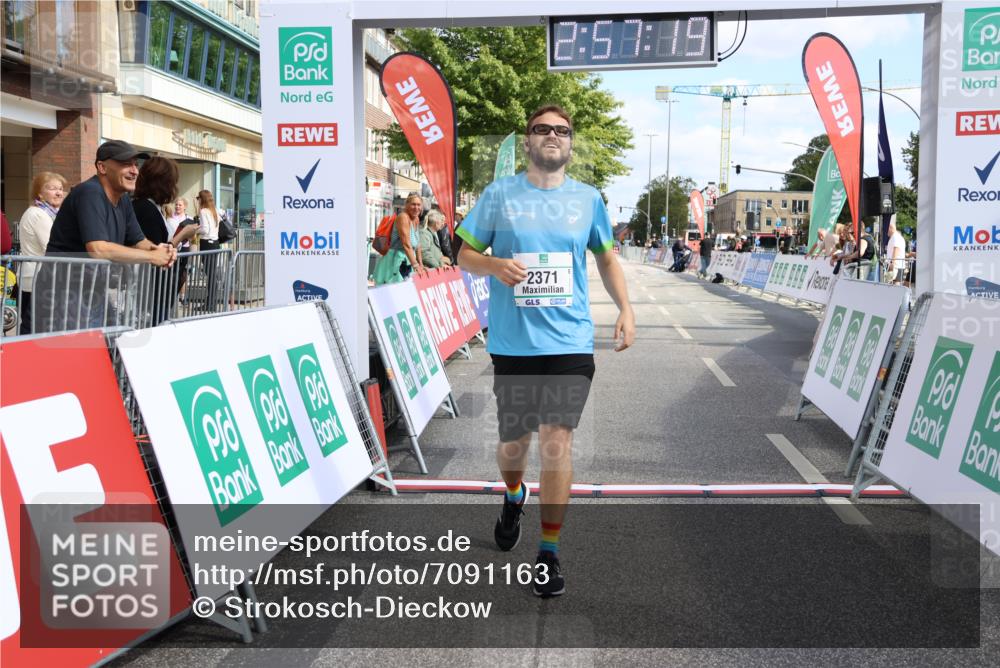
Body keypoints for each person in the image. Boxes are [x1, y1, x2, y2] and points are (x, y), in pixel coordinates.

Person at [457, 104, 635, 598]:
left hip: (570, 341)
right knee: (514, 445)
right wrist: (494, 266)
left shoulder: (588, 199)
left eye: (562, 130)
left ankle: (549, 553)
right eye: (542, 129)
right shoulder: (499, 194)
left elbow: (606, 257)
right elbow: (463, 253)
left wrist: (626, 308)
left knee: (557, 441)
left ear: (571, 143)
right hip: (514, 344)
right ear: (528, 141)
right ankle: (514, 494)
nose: (552, 136)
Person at [36, 140, 175, 332]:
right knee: (71, 349)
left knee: (107, 342)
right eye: (126, 164)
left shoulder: (123, 199)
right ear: (102, 167)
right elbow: (98, 249)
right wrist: (152, 257)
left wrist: (161, 250)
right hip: (64, 293)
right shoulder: (90, 192)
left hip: (92, 290)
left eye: (135, 164)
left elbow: (138, 240)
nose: (134, 171)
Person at [133, 157, 197, 324]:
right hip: (151, 289)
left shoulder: (150, 207)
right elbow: (155, 251)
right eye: (172, 181)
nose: (175, 187)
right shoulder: (146, 209)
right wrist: (182, 235)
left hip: (154, 288)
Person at [17, 172, 67, 334]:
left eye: (61, 188)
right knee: (36, 329)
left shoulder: (45, 213)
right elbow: (52, 247)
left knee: (35, 328)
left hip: (35, 277)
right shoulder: (39, 215)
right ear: (39, 193)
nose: (59, 193)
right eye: (52, 188)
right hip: (38, 278)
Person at [372, 193, 425, 284]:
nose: (416, 208)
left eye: (418, 205)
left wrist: (421, 264)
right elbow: (406, 245)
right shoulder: (403, 217)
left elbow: (418, 245)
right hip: (394, 262)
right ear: (407, 205)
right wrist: (416, 265)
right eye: (413, 204)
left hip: (407, 261)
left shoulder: (416, 219)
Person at [165, 196, 198, 302]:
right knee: (173, 272)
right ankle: (171, 296)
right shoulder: (170, 218)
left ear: (185, 207)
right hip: (173, 247)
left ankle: (182, 296)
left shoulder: (189, 218)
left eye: (180, 205)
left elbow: (194, 237)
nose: (177, 206)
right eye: (176, 204)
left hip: (185, 248)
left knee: (182, 273)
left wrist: (194, 250)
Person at [196, 189, 224, 310]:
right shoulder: (214, 210)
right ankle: (211, 302)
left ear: (202, 199)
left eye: (198, 198)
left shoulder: (203, 211)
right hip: (215, 243)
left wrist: (195, 229)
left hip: (207, 243)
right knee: (212, 274)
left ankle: (210, 304)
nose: (197, 200)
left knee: (210, 274)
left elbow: (205, 229)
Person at [884, 219, 906, 285]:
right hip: (897, 265)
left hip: (896, 265)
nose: (886, 231)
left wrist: (892, 264)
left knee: (894, 284)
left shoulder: (895, 237)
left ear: (890, 228)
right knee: (895, 283)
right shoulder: (897, 237)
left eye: (887, 229)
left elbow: (896, 250)